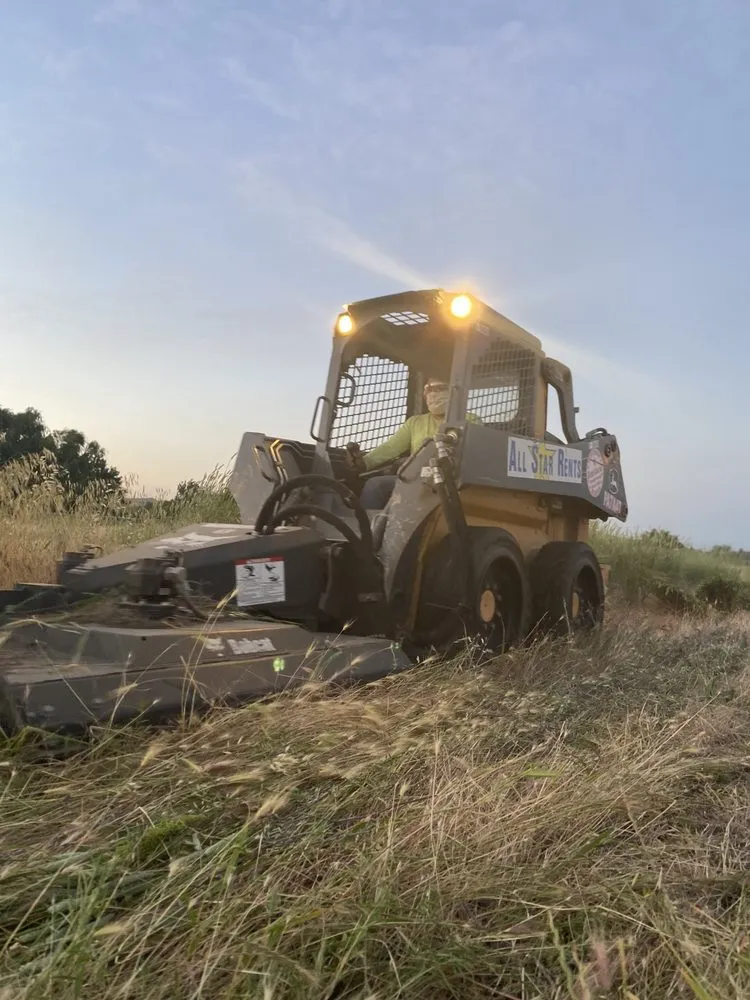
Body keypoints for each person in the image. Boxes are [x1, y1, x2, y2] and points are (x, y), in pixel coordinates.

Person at [345, 376, 480, 509]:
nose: (432, 394)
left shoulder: (469, 420)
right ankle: (365, 528)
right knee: (375, 485)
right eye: (429, 390)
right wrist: (366, 462)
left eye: (439, 389)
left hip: (453, 480)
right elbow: (391, 447)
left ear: (453, 391)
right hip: (418, 478)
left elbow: (475, 452)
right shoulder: (415, 422)